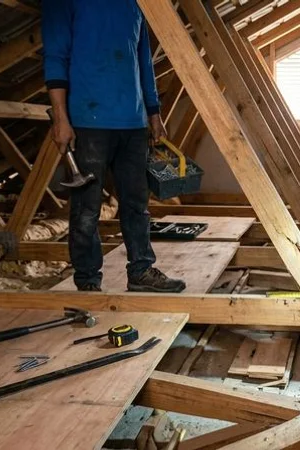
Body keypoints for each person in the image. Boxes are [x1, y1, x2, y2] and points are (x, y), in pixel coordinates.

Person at [42, 0, 186, 293]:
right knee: (86, 209)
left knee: (136, 204)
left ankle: (141, 271)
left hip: (132, 122)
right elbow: (55, 57)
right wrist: (60, 118)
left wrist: (153, 112)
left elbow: (144, 62)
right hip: (88, 119)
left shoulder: (137, 4)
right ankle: (88, 281)